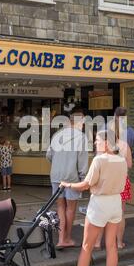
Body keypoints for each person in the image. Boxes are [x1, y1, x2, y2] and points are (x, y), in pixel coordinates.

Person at [60, 130, 127, 266]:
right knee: (111, 247)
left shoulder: (99, 160)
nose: (95, 143)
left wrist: (68, 184)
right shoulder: (121, 160)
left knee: (86, 246)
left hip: (99, 204)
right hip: (115, 203)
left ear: (106, 142)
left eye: (97, 140)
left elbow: (85, 185)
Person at [47, 106, 88, 249]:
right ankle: (68, 238)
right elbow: (82, 162)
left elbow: (49, 155)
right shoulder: (81, 137)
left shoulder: (57, 135)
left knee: (60, 207)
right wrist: (83, 179)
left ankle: (60, 240)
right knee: (70, 209)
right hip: (72, 178)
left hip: (56, 176)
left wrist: (59, 164)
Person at [94, 117, 133, 250]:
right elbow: (130, 164)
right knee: (120, 213)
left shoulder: (103, 144)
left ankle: (98, 242)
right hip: (122, 181)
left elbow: (99, 163)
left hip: (105, 181)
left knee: (101, 212)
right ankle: (119, 242)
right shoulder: (124, 145)